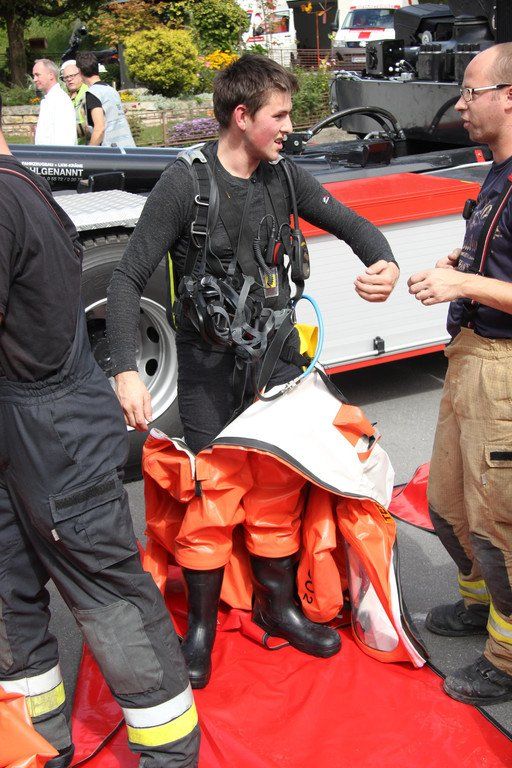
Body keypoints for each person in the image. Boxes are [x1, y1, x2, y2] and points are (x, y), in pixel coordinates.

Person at [107, 54, 400, 688]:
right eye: (280, 115)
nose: (290, 127)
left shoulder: (284, 176)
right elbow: (127, 278)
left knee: (275, 492)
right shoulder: (184, 185)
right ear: (242, 117)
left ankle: (279, 605)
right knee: (211, 498)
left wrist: (385, 262)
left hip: (278, 365)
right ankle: (201, 629)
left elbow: (351, 223)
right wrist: (126, 370)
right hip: (210, 371)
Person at [0, 95, 199, 767]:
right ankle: (35, 746)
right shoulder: (23, 187)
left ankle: (169, 754)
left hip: (54, 432)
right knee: (8, 590)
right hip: (26, 424)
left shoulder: (3, 199)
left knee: (108, 599)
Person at [408, 42, 512, 706]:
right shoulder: (498, 172)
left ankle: (508, 659)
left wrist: (463, 283)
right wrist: (465, 259)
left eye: (472, 91)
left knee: (501, 525)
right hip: (469, 359)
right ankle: (479, 606)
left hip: (503, 373)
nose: (462, 104)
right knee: (448, 506)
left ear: (510, 97)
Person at [75, 51, 135, 148]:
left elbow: (99, 129)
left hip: (111, 151)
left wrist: (89, 152)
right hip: (128, 147)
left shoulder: (93, 94)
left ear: (80, 71)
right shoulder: (111, 90)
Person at [32, 59, 77, 146]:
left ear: (51, 75)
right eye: (34, 75)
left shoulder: (60, 101)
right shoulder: (49, 100)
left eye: (37, 75)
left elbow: (65, 140)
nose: (34, 79)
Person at [60, 59, 104, 145]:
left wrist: (62, 132)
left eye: (72, 76)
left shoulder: (88, 93)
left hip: (90, 145)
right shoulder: (68, 96)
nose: (69, 79)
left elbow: (92, 126)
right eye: (66, 77)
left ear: (80, 74)